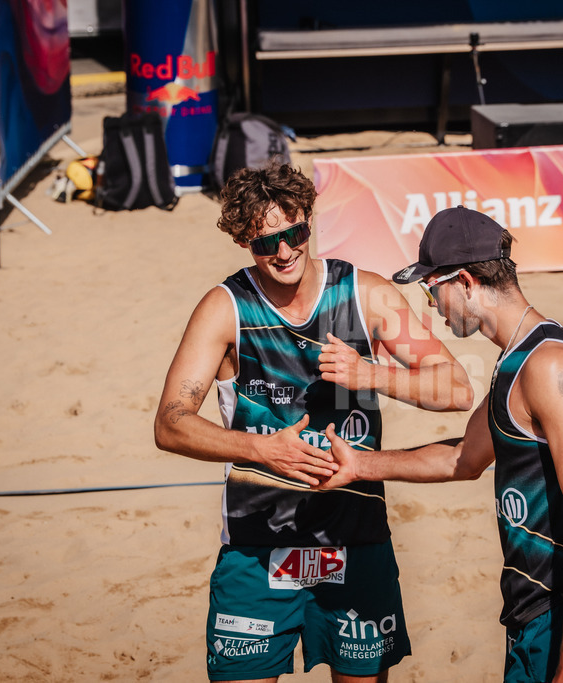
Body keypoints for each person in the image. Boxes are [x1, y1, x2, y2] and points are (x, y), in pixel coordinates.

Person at [153, 162, 474, 682]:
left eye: (294, 233)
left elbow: (456, 388)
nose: (283, 252)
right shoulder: (224, 308)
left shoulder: (363, 293)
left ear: (309, 219)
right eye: (265, 243)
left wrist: (369, 373)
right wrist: (262, 450)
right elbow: (170, 423)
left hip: (354, 534)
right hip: (257, 546)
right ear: (243, 242)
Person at [317, 206, 563, 683]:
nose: (431, 306)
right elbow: (463, 458)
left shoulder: (551, 365)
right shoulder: (517, 364)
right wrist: (361, 465)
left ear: (464, 281)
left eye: (431, 289)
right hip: (536, 612)